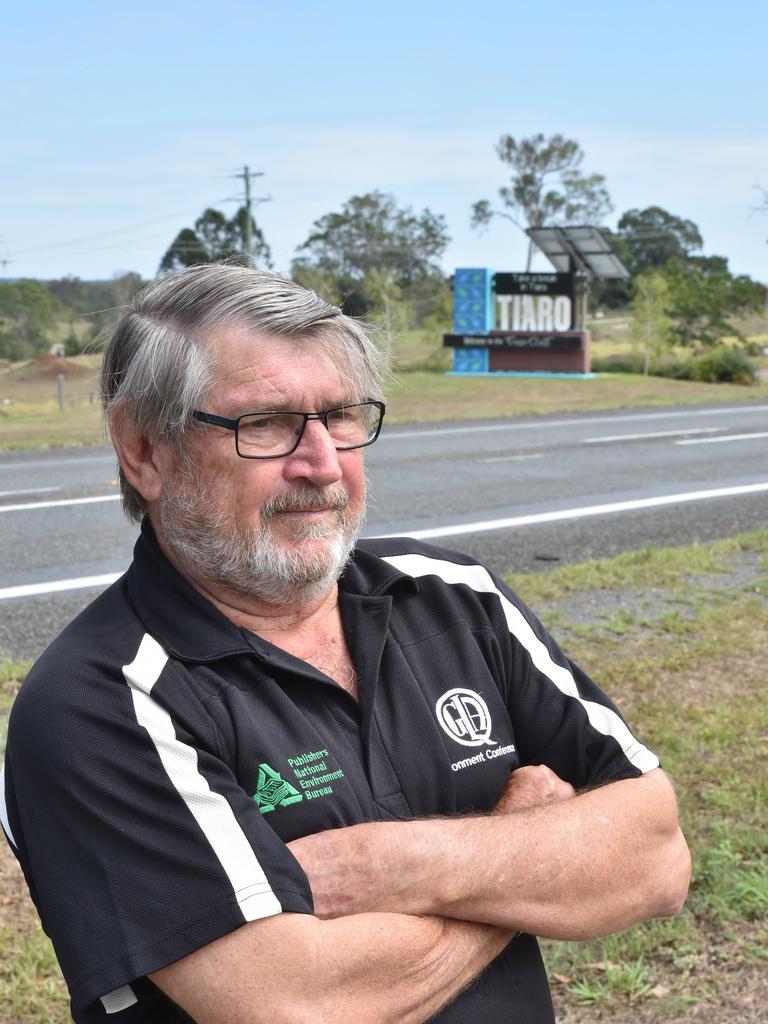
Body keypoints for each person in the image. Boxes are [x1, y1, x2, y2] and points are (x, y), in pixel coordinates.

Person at [1, 264, 690, 1024]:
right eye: (263, 422)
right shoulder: (96, 702)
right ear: (144, 451)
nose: (322, 463)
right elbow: (296, 1003)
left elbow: (656, 858)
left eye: (342, 416)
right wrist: (526, 853)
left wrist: (391, 867)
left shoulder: (454, 596)